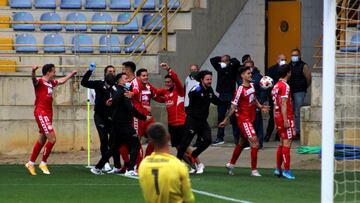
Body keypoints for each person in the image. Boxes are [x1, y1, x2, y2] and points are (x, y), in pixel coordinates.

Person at [90, 73, 151, 176]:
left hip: (117, 124)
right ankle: (130, 169)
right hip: (123, 124)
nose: (128, 80)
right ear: (119, 80)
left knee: (114, 147)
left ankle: (98, 167)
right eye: (125, 79)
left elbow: (115, 99)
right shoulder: (122, 92)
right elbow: (130, 109)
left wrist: (113, 101)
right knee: (135, 144)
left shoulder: (117, 90)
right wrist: (144, 117)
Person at [25, 64, 77, 175]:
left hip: (48, 113)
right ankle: (43, 163)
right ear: (48, 72)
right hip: (41, 112)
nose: (55, 73)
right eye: (53, 71)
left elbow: (61, 81)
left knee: (42, 139)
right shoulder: (40, 81)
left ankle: (30, 163)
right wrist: (33, 71)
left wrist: (71, 74)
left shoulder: (50, 83)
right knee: (52, 139)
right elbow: (33, 80)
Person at [219, 66, 269, 177]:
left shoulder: (251, 85)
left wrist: (261, 107)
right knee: (255, 141)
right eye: (248, 73)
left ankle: (231, 164)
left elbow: (254, 98)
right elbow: (233, 106)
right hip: (243, 120)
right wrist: (226, 120)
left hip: (251, 118)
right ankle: (254, 170)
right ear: (242, 76)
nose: (250, 75)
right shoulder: (240, 90)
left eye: (250, 73)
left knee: (242, 142)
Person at [155, 63, 203, 173]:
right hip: (171, 125)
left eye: (169, 82)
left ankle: (200, 164)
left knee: (185, 146)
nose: (167, 84)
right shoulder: (166, 93)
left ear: (173, 83)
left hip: (181, 123)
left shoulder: (180, 91)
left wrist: (169, 69)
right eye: (166, 82)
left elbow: (176, 79)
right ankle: (192, 166)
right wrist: (146, 85)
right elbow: (156, 94)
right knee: (177, 147)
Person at [177, 70, 222, 173]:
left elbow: (215, 100)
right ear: (202, 80)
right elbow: (190, 95)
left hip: (202, 121)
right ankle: (176, 164)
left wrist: (227, 103)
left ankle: (194, 155)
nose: (209, 81)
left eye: (210, 79)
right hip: (192, 120)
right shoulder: (196, 89)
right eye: (207, 79)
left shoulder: (209, 90)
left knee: (208, 140)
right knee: (184, 144)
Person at [139, 123, 195, 203]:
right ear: (168, 137)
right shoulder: (178, 165)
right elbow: (189, 199)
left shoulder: (143, 165)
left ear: (150, 141)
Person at [81, 64, 117, 172]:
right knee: (104, 138)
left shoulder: (116, 87)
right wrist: (90, 71)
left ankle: (117, 165)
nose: (112, 73)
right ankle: (105, 162)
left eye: (113, 71)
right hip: (100, 116)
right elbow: (84, 83)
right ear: (105, 73)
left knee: (114, 140)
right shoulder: (98, 84)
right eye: (109, 71)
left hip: (111, 117)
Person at [271, 64, 296, 180]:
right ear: (288, 73)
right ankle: (286, 170)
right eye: (290, 72)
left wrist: (276, 120)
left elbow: (275, 104)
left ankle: (278, 169)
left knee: (281, 142)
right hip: (285, 116)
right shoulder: (285, 86)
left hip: (277, 116)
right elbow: (284, 103)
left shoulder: (275, 86)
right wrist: (286, 120)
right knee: (287, 142)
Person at [210, 55, 240, 145]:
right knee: (221, 116)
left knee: (233, 118)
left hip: (231, 94)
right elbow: (212, 60)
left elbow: (237, 61)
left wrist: (229, 62)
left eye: (224, 61)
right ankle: (220, 138)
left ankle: (237, 138)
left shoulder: (233, 67)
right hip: (222, 95)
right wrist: (221, 59)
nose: (222, 62)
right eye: (221, 61)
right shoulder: (220, 68)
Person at [237, 61, 267, 149]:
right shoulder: (241, 81)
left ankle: (259, 144)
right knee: (247, 128)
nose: (249, 72)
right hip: (245, 109)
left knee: (257, 124)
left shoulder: (258, 77)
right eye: (246, 68)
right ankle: (248, 143)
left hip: (255, 106)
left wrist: (260, 104)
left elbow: (262, 90)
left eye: (250, 68)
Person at [288, 48, 312, 139]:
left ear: (299, 56)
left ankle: (297, 131)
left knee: (298, 111)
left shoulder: (303, 65)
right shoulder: (289, 65)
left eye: (295, 55)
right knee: (292, 111)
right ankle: (292, 130)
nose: (293, 57)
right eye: (292, 55)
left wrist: (304, 87)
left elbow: (308, 78)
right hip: (291, 90)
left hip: (299, 91)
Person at [264, 54, 287, 142]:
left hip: (283, 96)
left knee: (281, 115)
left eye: (285, 59)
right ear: (277, 60)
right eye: (282, 59)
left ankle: (278, 135)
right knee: (272, 117)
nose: (283, 61)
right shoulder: (271, 70)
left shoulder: (287, 70)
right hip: (273, 97)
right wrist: (267, 97)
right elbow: (266, 84)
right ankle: (268, 135)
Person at [184, 64, 202, 148]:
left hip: (197, 106)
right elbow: (185, 89)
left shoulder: (201, 80)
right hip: (188, 104)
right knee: (188, 123)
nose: (193, 71)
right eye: (191, 69)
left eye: (194, 69)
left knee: (198, 123)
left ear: (198, 70)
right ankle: (187, 140)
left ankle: (199, 140)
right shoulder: (187, 78)